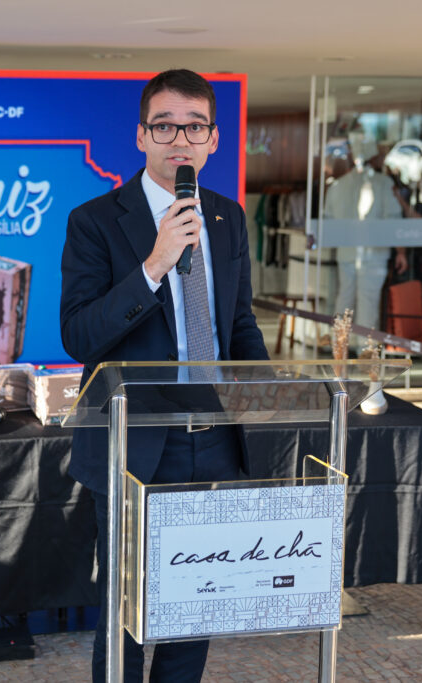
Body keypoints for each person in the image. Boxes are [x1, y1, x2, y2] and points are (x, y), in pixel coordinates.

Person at [60, 69, 268, 682]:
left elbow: (239, 324)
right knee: (128, 608)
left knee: (196, 604)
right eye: (165, 126)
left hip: (215, 437)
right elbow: (79, 336)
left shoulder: (227, 217)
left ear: (213, 139)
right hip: (136, 443)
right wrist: (154, 263)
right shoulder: (95, 220)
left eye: (194, 126)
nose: (180, 139)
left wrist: (269, 390)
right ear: (141, 136)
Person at [324, 136, 414, 341]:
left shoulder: (337, 186)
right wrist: (401, 251)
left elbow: (329, 221)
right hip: (373, 254)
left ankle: (339, 346)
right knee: (367, 302)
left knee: (345, 298)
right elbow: (393, 221)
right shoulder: (383, 183)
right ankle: (364, 349)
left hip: (347, 252)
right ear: (373, 157)